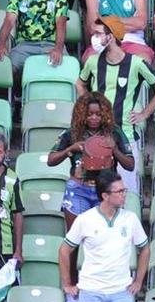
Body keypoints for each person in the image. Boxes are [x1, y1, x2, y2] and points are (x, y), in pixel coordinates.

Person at [77, 15, 155, 193]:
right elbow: (80, 83)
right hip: (96, 135)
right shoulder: (93, 62)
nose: (94, 37)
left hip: (125, 135)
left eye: (98, 33)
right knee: (96, 190)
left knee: (126, 190)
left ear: (110, 36)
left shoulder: (136, 64)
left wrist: (145, 113)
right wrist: (88, 104)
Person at [60, 172, 149, 302]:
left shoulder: (130, 219)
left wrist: (138, 281)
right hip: (90, 292)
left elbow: (145, 248)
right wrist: (67, 284)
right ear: (105, 195)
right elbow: (64, 249)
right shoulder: (85, 219)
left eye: (124, 190)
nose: (124, 195)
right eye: (120, 191)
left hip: (121, 292)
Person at [49, 91, 134, 227]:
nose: (94, 118)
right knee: (75, 237)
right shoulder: (72, 132)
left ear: (105, 115)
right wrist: (70, 149)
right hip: (78, 188)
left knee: (107, 236)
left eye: (98, 114)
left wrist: (114, 149)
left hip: (106, 190)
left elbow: (130, 165)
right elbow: (51, 160)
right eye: (89, 114)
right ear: (82, 114)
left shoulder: (114, 132)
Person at [0, 132, 23, 279]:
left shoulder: (12, 179)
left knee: (0, 296)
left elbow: (17, 215)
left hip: (3, 248)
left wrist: (18, 251)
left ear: (6, 153)